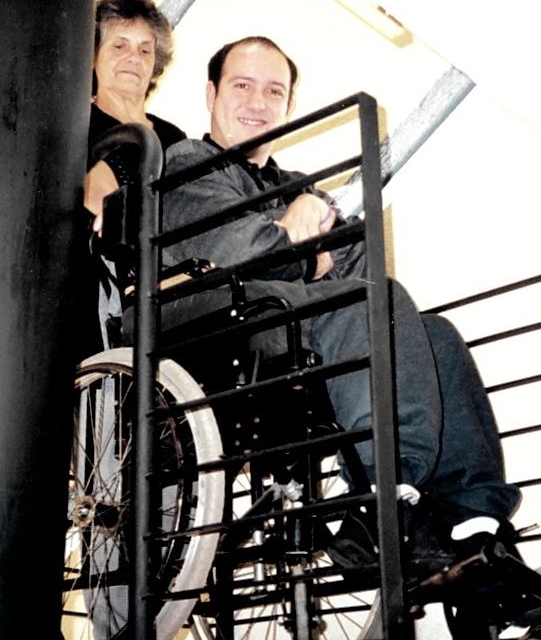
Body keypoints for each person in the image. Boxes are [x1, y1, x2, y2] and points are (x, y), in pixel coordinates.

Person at [157, 36, 521, 583]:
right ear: (211, 94)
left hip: (292, 322)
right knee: (367, 302)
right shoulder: (188, 162)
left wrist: (306, 221)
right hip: (221, 329)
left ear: (288, 105)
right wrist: (304, 253)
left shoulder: (294, 186)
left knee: (434, 334)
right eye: (242, 85)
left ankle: (474, 524)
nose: (257, 102)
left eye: (273, 91)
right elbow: (235, 250)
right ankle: (386, 495)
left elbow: (357, 263)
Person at [81, 0, 187, 359]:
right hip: (110, 288)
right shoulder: (78, 126)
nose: (134, 59)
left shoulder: (175, 137)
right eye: (119, 46)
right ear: (93, 55)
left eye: (145, 50)